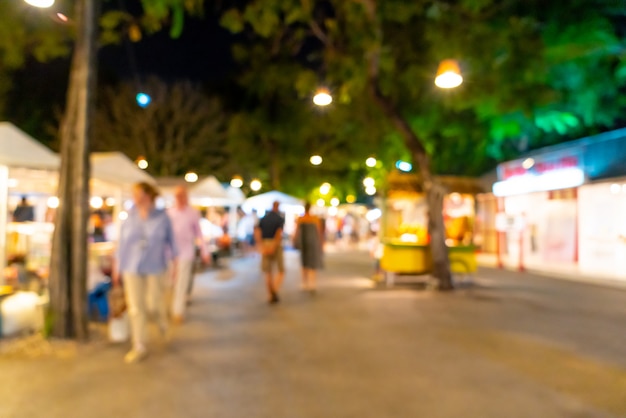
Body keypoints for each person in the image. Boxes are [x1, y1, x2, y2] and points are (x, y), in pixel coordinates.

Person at [113, 182, 177, 364]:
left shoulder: (162, 217)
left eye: (138, 194)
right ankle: (139, 345)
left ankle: (162, 322)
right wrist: (118, 266)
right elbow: (122, 244)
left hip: (155, 266)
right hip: (131, 267)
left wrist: (175, 266)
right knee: (135, 308)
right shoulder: (130, 217)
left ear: (148, 196)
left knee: (153, 305)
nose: (135, 198)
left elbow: (172, 244)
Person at [168, 185, 209, 325]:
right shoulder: (170, 213)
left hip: (186, 252)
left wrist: (205, 251)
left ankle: (178, 311)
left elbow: (199, 234)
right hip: (169, 254)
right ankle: (171, 307)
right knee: (171, 282)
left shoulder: (192, 213)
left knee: (182, 282)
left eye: (182, 195)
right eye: (178, 195)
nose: (180, 198)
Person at [255, 201, 285, 304]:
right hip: (274, 244)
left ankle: (270, 294)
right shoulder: (280, 218)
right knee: (281, 270)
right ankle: (274, 291)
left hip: (265, 242)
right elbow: (279, 233)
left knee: (268, 271)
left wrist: (260, 245)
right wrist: (273, 246)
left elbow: (257, 230)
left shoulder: (264, 218)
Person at [294, 202, 324, 292]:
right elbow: (319, 232)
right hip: (313, 242)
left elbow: (296, 231)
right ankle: (312, 283)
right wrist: (321, 242)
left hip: (304, 243)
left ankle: (305, 282)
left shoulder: (301, 219)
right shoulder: (314, 219)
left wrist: (295, 240)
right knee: (312, 262)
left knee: (304, 262)